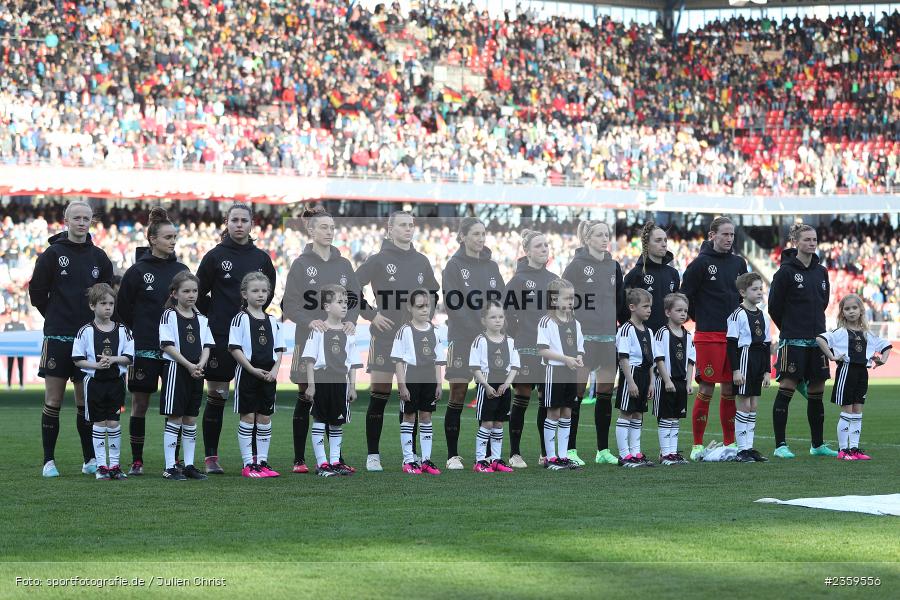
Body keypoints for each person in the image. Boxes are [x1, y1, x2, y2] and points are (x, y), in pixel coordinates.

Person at [29, 199, 114, 477]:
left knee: (83, 401)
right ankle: (48, 461)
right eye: (76, 217)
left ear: (91, 221)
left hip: (87, 339)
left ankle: (89, 459)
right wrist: (55, 316)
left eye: (86, 218)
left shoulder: (99, 257)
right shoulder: (52, 254)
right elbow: (37, 294)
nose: (81, 222)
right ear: (66, 221)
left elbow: (106, 298)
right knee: (53, 400)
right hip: (57, 337)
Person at [355, 211, 439, 472]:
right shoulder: (378, 260)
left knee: (411, 399)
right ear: (389, 229)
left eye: (411, 225)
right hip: (385, 338)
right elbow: (349, 286)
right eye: (402, 225)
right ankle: (373, 455)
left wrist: (424, 321)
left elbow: (434, 293)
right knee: (379, 396)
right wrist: (371, 314)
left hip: (414, 342)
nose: (408, 229)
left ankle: (411, 456)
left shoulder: (422, 261)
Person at [196, 203, 277, 474]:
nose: (239, 224)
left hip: (255, 342)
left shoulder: (262, 258)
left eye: (244, 220)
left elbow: (269, 293)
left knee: (255, 401)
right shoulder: (215, 256)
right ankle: (211, 458)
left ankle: (256, 460)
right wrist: (217, 316)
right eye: (234, 220)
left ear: (252, 223)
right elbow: (197, 294)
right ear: (227, 223)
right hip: (220, 338)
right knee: (217, 396)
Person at [282, 206, 360, 474]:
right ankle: (300, 459)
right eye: (324, 227)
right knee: (307, 397)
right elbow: (289, 304)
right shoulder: (301, 264)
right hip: (310, 339)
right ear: (311, 230)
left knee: (335, 397)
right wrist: (308, 321)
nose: (329, 232)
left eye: (332, 227)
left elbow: (355, 299)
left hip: (339, 341)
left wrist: (351, 319)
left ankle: (335, 458)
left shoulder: (344, 264)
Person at [116, 207, 189, 476]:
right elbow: (122, 311)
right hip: (144, 347)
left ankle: (175, 460)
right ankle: (137, 461)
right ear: (153, 239)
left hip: (174, 351)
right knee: (140, 405)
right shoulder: (137, 271)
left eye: (175, 237)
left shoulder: (181, 270)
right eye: (168, 237)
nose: (173, 241)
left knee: (176, 408)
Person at [768, 223, 838, 459]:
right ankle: (780, 445)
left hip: (818, 339)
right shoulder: (785, 272)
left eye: (814, 239)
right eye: (807, 239)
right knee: (787, 387)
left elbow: (823, 302)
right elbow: (774, 307)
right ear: (796, 242)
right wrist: (790, 328)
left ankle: (817, 445)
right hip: (793, 340)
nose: (812, 243)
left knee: (817, 389)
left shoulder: (822, 272)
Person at [680, 216, 748, 461]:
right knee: (707, 386)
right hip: (708, 334)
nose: (729, 239)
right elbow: (684, 298)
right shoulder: (700, 264)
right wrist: (702, 317)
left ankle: (730, 443)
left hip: (733, 337)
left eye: (732, 235)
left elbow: (744, 298)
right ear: (712, 236)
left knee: (730, 388)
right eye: (725, 234)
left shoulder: (739, 263)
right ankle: (697, 444)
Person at [441, 217, 506, 471]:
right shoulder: (454, 266)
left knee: (491, 393)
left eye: (483, 234)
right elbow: (453, 304)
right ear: (462, 237)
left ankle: (489, 455)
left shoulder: (492, 266)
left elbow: (500, 300)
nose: (481, 238)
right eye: (476, 234)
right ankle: (453, 455)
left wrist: (494, 330)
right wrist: (478, 330)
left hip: (490, 340)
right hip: (462, 338)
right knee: (457, 393)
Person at [562, 220, 624, 467]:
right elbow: (561, 298)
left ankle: (603, 450)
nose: (604, 239)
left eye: (606, 235)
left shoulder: (614, 265)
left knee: (605, 395)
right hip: (584, 340)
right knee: (576, 395)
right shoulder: (576, 266)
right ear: (588, 239)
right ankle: (570, 449)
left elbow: (619, 300)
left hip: (608, 339)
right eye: (599, 235)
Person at [816, 294, 892, 461]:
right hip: (846, 371)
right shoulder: (840, 332)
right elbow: (820, 339)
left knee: (858, 411)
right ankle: (843, 450)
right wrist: (832, 356)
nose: (851, 311)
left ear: (861, 311)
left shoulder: (867, 334)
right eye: (847, 308)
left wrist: (883, 360)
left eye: (854, 308)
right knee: (847, 410)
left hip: (862, 373)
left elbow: (886, 345)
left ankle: (854, 448)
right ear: (842, 312)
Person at [504, 230, 557, 468]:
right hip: (525, 347)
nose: (544, 248)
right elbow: (505, 314)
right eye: (538, 246)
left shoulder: (554, 279)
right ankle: (515, 453)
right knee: (522, 398)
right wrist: (519, 334)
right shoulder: (517, 280)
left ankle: (546, 453)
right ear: (527, 252)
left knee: (547, 401)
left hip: (549, 350)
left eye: (546, 245)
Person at [71, 283, 134, 480]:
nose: (108, 307)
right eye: (103, 303)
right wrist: (95, 366)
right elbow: (77, 358)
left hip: (116, 382)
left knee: (114, 423)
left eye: (111, 303)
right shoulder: (85, 331)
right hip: (94, 383)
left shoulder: (123, 330)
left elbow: (129, 357)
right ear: (92, 306)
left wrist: (113, 359)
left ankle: (114, 465)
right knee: (99, 423)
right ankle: (101, 466)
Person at [158, 271, 215, 480]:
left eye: (194, 291)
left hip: (196, 372)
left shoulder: (202, 318)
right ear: (174, 294)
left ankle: (189, 465)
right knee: (175, 417)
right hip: (176, 370)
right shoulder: (169, 315)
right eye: (186, 291)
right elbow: (167, 345)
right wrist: (189, 365)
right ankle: (170, 466)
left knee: (190, 419)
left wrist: (199, 364)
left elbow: (208, 345)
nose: (191, 295)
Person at [229, 272, 285, 478]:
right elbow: (234, 348)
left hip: (269, 375)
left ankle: (262, 462)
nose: (260, 295)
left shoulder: (273, 321)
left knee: (264, 417)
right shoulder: (240, 319)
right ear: (244, 294)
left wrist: (274, 371)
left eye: (264, 291)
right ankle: (248, 464)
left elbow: (279, 350)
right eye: (255, 291)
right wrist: (251, 369)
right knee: (248, 416)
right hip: (248, 373)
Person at [302, 284, 361, 477]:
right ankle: (322, 463)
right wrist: (311, 385)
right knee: (320, 420)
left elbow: (352, 363)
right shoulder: (319, 329)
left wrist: (352, 387)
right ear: (327, 307)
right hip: (322, 379)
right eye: (339, 302)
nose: (344, 306)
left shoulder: (349, 332)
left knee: (337, 423)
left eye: (346, 302)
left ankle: (335, 461)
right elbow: (310, 360)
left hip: (340, 382)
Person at [392, 289, 445, 475]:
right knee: (409, 416)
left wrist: (439, 384)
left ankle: (426, 460)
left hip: (429, 377)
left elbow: (439, 361)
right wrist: (402, 385)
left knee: (426, 417)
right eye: (419, 306)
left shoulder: (436, 331)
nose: (424, 310)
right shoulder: (404, 331)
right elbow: (398, 361)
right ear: (410, 308)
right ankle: (408, 460)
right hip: (411, 377)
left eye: (427, 306)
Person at [537, 279, 584, 471]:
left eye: (572, 297)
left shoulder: (575, 323)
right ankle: (551, 457)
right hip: (554, 372)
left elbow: (580, 348)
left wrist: (578, 358)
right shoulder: (546, 322)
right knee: (553, 412)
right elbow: (542, 350)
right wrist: (566, 359)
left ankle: (563, 456)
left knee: (567, 412)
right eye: (567, 298)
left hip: (569, 372)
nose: (571, 301)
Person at [727, 273, 772, 463]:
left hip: (758, 358)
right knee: (744, 404)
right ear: (743, 292)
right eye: (754, 289)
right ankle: (742, 449)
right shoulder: (737, 314)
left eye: (760, 288)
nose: (759, 292)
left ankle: (749, 446)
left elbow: (767, 343)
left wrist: (767, 371)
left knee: (753, 405)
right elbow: (731, 343)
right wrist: (736, 370)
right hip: (744, 357)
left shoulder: (763, 314)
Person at [470, 302, 519, 473]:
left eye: (500, 317)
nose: (497, 320)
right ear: (484, 320)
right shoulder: (479, 340)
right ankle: (480, 460)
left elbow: (514, 366)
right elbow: (474, 367)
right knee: (487, 423)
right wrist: (485, 385)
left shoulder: (511, 342)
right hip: (487, 386)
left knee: (499, 424)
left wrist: (507, 384)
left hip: (504, 388)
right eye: (493, 317)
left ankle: (496, 459)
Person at [652, 293, 695, 465]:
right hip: (666, 382)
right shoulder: (663, 333)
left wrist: (689, 382)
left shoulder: (688, 335)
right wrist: (667, 380)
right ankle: (665, 454)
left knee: (676, 418)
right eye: (679, 310)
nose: (683, 313)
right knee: (666, 416)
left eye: (685, 310)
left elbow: (691, 360)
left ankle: (673, 452)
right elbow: (659, 358)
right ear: (668, 312)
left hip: (680, 382)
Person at [615, 288, 655, 468]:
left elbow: (651, 360)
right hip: (631, 372)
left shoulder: (649, 331)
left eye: (650, 306)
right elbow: (623, 357)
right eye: (645, 306)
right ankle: (624, 455)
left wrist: (652, 382)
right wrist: (630, 381)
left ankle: (635, 452)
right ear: (632, 307)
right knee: (626, 412)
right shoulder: (626, 329)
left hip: (644, 374)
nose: (649, 310)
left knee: (638, 413)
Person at [623, 220, 681, 333]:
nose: (664, 244)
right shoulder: (635, 274)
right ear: (647, 245)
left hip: (667, 336)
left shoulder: (673, 273)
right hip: (642, 336)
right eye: (658, 240)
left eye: (665, 240)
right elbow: (624, 309)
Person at [4, 311, 26, 390]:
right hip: (10, 350)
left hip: (20, 350)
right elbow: (4, 336)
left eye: (16, 315)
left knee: (20, 368)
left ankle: (21, 385)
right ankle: (9, 385)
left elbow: (25, 336)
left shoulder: (21, 325)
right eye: (13, 315)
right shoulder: (7, 325)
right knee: (10, 368)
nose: (14, 316)